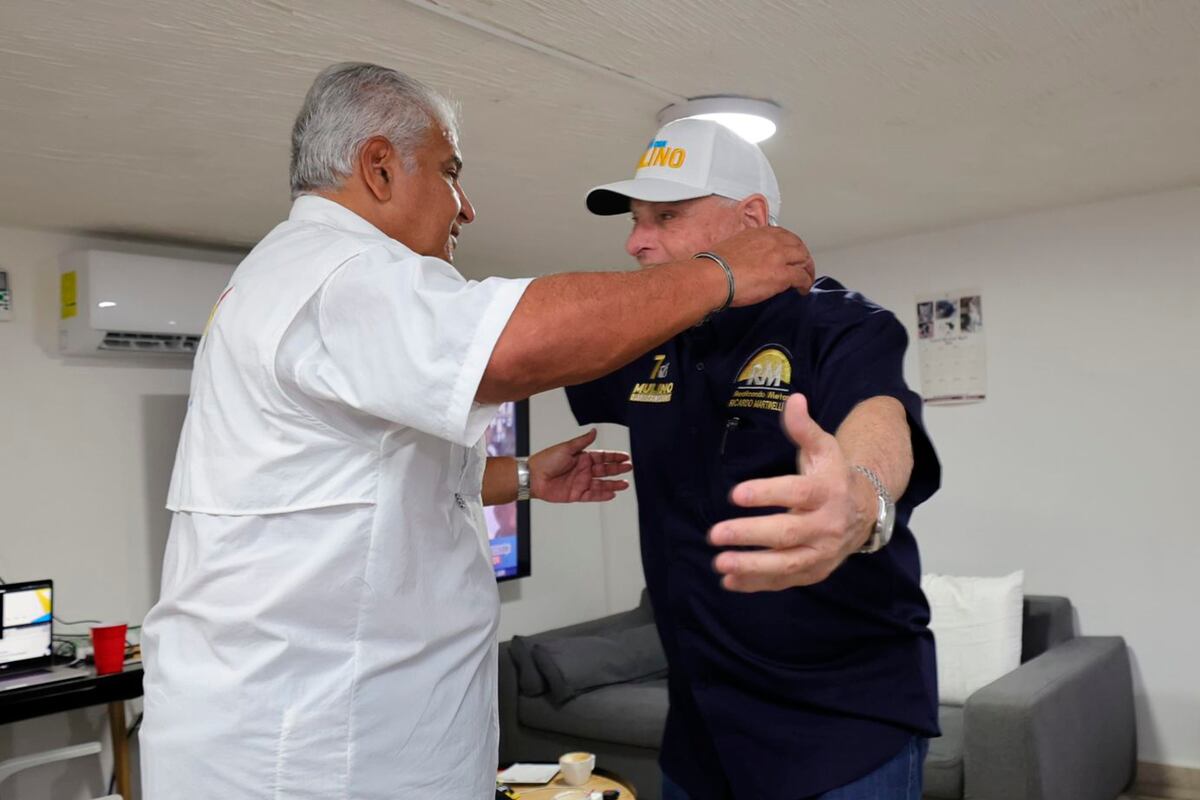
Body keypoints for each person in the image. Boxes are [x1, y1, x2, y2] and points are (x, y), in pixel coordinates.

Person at [139, 64, 815, 800]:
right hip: (314, 758)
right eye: (450, 173)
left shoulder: (297, 277)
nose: (467, 208)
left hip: (329, 737)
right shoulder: (342, 275)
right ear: (378, 167)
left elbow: (358, 483)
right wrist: (719, 273)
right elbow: (515, 346)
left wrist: (523, 478)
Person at [567, 118, 942, 800]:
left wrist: (858, 500)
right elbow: (533, 355)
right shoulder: (651, 339)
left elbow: (880, 419)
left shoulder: (841, 323)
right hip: (700, 735)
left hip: (839, 734)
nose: (635, 240)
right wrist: (526, 476)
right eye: (635, 219)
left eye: (667, 217)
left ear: (752, 219)